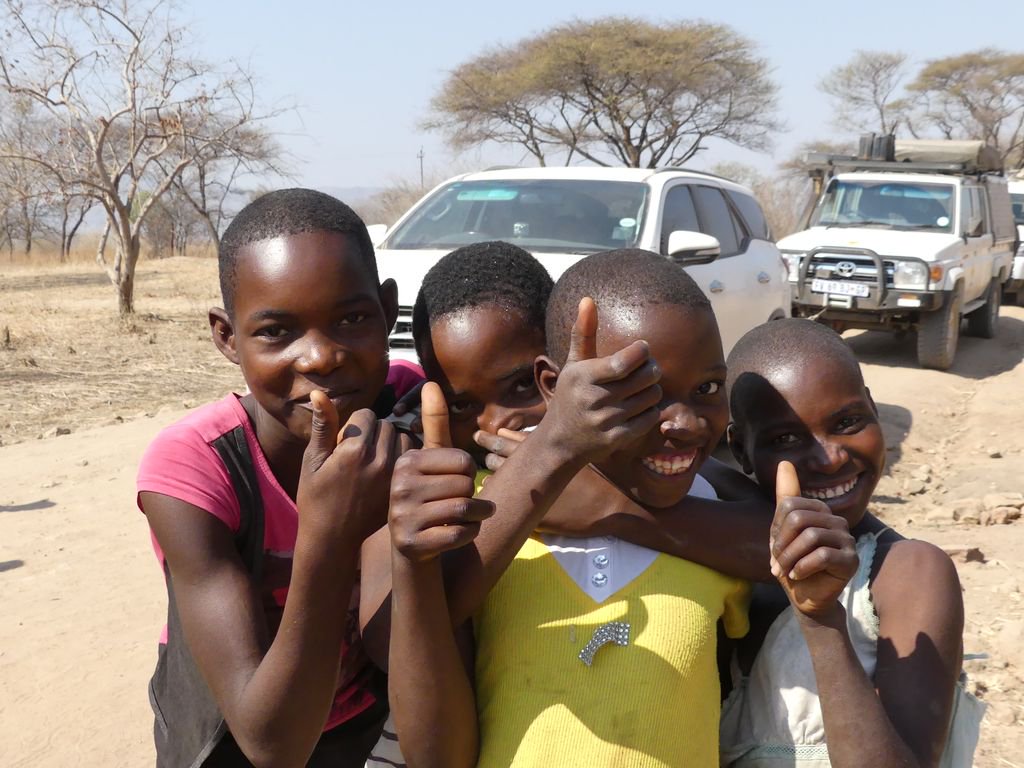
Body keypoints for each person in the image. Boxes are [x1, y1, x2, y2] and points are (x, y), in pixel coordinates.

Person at [384, 249, 768, 768]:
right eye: (645, 393)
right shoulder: (455, 507)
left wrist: (601, 508)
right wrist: (547, 462)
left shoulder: (705, 493)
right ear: (557, 382)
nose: (496, 424)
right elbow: (432, 612)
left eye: (706, 389)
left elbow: (791, 546)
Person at [137, 188, 419, 768]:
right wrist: (330, 531)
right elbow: (272, 745)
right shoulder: (194, 469)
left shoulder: (411, 400)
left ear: (388, 313)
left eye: (352, 319)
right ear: (226, 336)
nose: (320, 357)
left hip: (360, 725)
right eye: (276, 332)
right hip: (235, 736)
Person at [719, 318, 984, 768]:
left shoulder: (908, 572)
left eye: (847, 422)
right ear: (741, 451)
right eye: (785, 438)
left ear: (875, 410)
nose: (831, 456)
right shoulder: (719, 541)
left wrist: (821, 619)